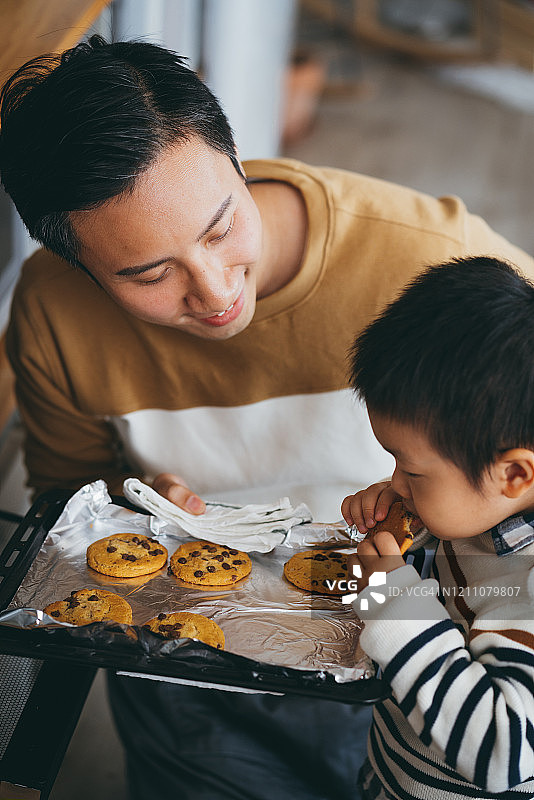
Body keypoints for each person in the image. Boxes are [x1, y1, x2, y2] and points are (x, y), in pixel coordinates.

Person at [0, 35, 533, 800]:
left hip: (402, 663)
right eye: (150, 274)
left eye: (220, 229)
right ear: (80, 267)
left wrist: (399, 579)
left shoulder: (433, 265)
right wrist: (134, 503)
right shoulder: (55, 312)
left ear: (237, 158)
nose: (215, 292)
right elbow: (64, 494)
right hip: (188, 674)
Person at [342, 255, 534, 799]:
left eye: (414, 470)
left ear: (514, 474)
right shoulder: (489, 507)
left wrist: (392, 599)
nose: (396, 481)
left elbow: (505, 752)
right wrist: (410, 526)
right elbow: (455, 594)